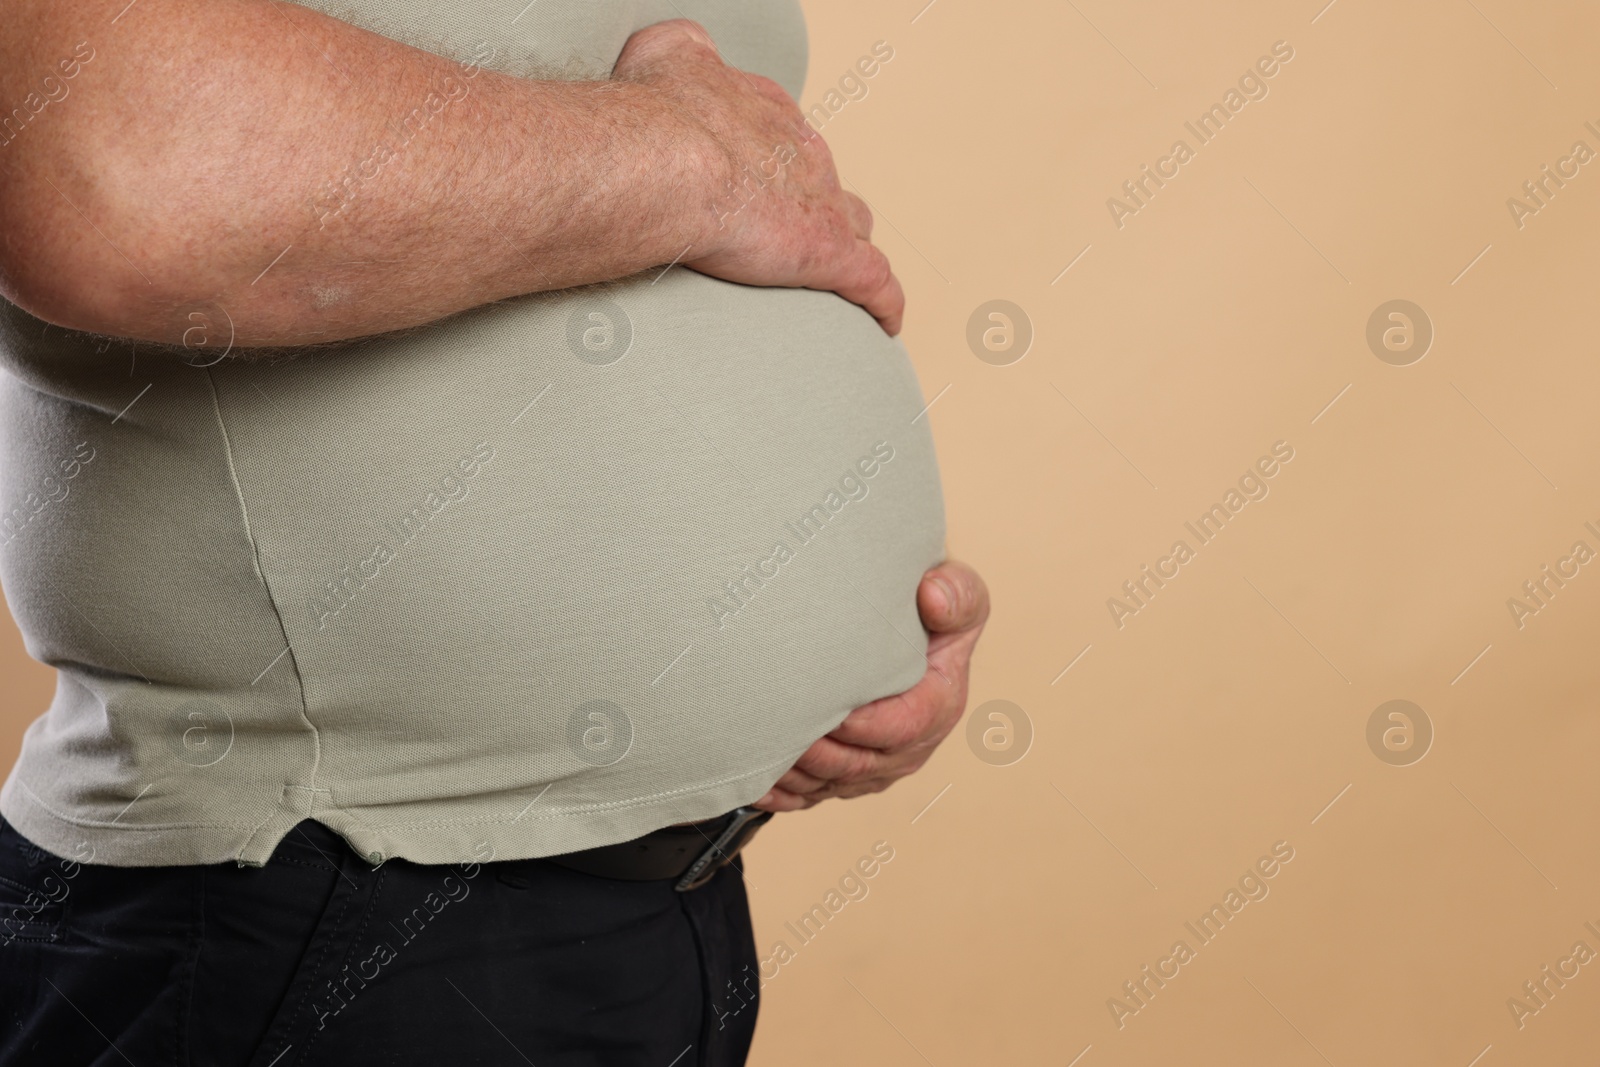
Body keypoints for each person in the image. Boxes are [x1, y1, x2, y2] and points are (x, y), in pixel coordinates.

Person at [0, 2, 989, 1063]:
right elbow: (117, 162)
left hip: (660, 900)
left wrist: (836, 629)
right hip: (321, 903)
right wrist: (694, 156)